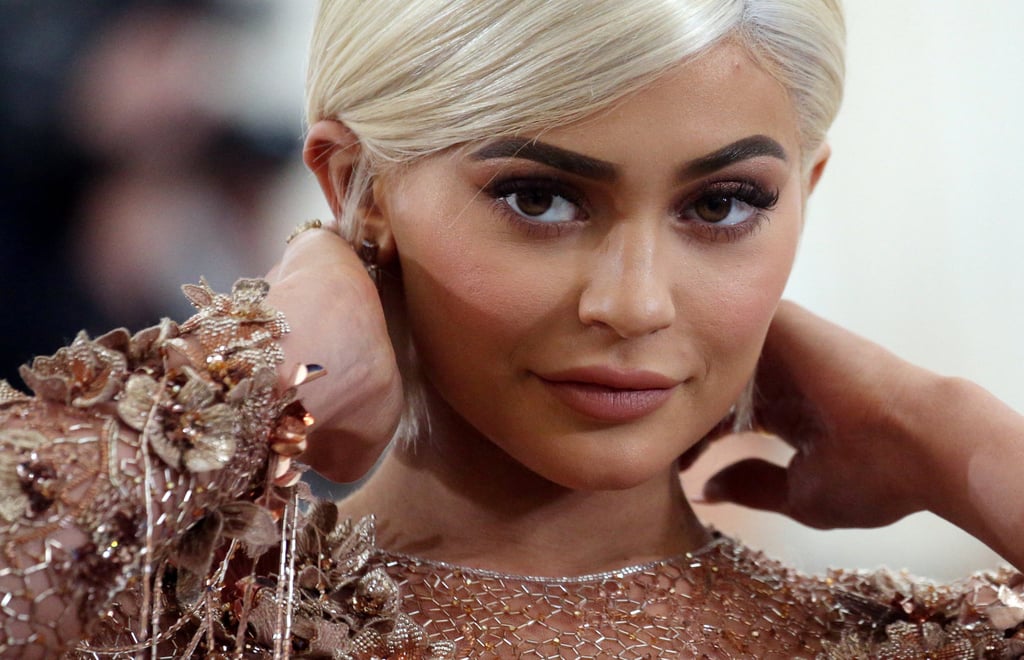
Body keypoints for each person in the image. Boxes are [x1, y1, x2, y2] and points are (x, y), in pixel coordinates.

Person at [0, 0, 1021, 657]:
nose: (633, 303)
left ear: (806, 192)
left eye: (720, 205)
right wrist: (263, 361)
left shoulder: (912, 643)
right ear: (357, 188)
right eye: (538, 198)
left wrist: (947, 434)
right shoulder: (160, 629)